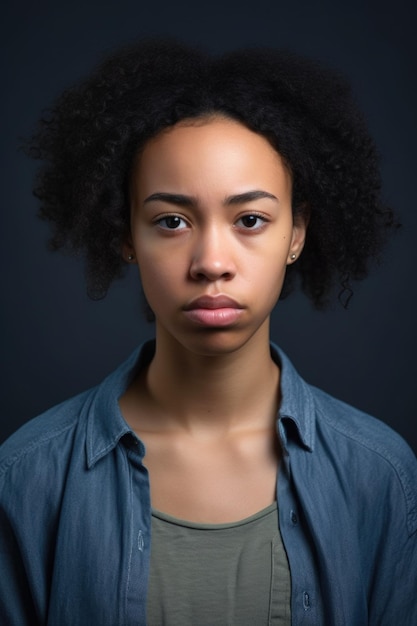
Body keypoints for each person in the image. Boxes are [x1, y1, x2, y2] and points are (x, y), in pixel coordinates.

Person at [0, 39, 416, 626]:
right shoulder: (25, 478)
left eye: (250, 220)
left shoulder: (382, 476)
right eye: (172, 221)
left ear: (296, 233)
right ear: (125, 235)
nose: (211, 261)